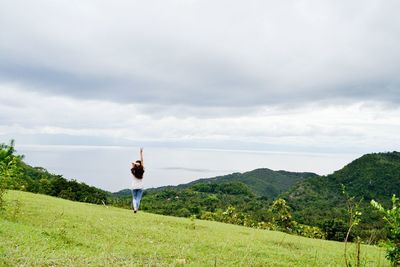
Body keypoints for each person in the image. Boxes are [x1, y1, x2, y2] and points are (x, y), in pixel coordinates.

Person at [131, 148, 144, 213]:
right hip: (140, 186)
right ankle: (136, 209)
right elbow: (142, 161)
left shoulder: (133, 170)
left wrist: (134, 164)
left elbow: (132, 163)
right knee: (138, 198)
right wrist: (141, 153)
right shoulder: (141, 170)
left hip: (134, 186)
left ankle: (135, 208)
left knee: (134, 198)